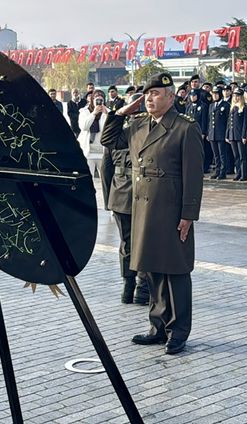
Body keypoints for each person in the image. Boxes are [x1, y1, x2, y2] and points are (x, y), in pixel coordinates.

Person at [101, 73, 204, 355]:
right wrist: (121, 111)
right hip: (143, 209)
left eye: (156, 93)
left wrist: (188, 215)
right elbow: (108, 138)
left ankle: (178, 330)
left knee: (175, 271)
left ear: (171, 98)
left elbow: (193, 176)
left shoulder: (184, 128)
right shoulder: (137, 126)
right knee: (151, 269)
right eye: (146, 94)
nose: (149, 98)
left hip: (171, 209)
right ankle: (157, 325)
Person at [102, 96, 150, 305]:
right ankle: (138, 285)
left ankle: (131, 286)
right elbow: (106, 169)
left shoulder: (121, 134)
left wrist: (108, 201)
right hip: (134, 195)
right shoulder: (137, 134)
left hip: (121, 195)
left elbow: (106, 171)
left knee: (128, 243)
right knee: (141, 242)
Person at [78, 89, 108, 178]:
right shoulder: (84, 111)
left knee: (104, 179)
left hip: (102, 151)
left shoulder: (107, 112)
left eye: (101, 99)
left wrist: (106, 114)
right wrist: (93, 114)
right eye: (96, 98)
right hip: (88, 151)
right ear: (92, 100)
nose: (99, 101)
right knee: (87, 179)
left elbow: (108, 129)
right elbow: (84, 127)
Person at [226, 86, 247, 181]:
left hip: (240, 135)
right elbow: (229, 122)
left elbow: (245, 122)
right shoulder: (233, 107)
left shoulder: (245, 107)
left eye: (238, 96)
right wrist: (227, 134)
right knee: (236, 156)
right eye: (235, 95)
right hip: (232, 135)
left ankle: (244, 174)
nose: (236, 97)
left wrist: (244, 135)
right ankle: (238, 173)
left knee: (242, 156)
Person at [207, 85, 229, 180]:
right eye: (213, 94)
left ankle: (223, 172)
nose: (215, 96)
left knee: (222, 154)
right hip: (213, 133)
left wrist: (226, 134)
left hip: (221, 133)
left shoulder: (225, 105)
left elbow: (228, 121)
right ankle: (217, 170)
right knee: (216, 154)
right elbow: (209, 120)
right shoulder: (211, 105)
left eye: (216, 94)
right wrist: (208, 132)